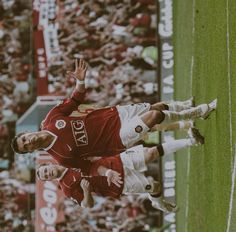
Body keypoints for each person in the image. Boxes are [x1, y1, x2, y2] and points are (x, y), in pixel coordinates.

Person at [11, 58, 217, 171]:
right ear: (31, 151)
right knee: (154, 117)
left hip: (115, 115)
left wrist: (80, 81)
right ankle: (199, 112)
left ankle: (185, 107)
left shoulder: (51, 120)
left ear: (28, 134)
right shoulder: (61, 157)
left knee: (159, 108)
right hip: (117, 137)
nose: (29, 141)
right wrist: (109, 171)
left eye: (26, 138)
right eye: (27, 146)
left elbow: (75, 101)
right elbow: (88, 167)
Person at [36, 128, 203, 212]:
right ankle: (157, 203)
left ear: (48, 164)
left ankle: (191, 141)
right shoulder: (67, 188)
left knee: (150, 152)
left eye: (45, 170)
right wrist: (86, 191)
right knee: (155, 186)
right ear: (48, 180)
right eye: (45, 176)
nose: (48, 173)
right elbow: (87, 205)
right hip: (117, 184)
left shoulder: (66, 157)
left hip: (115, 161)